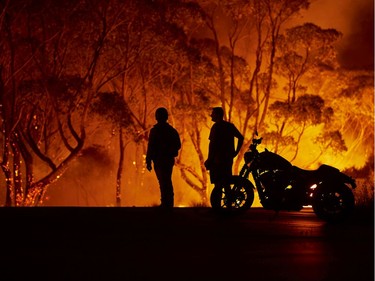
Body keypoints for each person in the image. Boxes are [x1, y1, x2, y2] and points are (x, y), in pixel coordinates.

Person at [146, 107, 181, 209]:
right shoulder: (171, 131)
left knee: (163, 181)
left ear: (157, 117)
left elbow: (151, 147)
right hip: (167, 160)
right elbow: (178, 145)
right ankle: (168, 203)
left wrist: (148, 161)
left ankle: (166, 203)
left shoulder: (155, 131)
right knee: (166, 180)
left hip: (159, 160)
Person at [204, 107, 244, 192]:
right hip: (228, 159)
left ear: (218, 115)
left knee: (218, 184)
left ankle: (217, 204)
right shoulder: (229, 126)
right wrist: (236, 152)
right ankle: (229, 202)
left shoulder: (216, 127)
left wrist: (209, 159)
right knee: (226, 183)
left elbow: (212, 145)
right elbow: (241, 138)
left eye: (213, 113)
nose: (211, 115)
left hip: (217, 161)